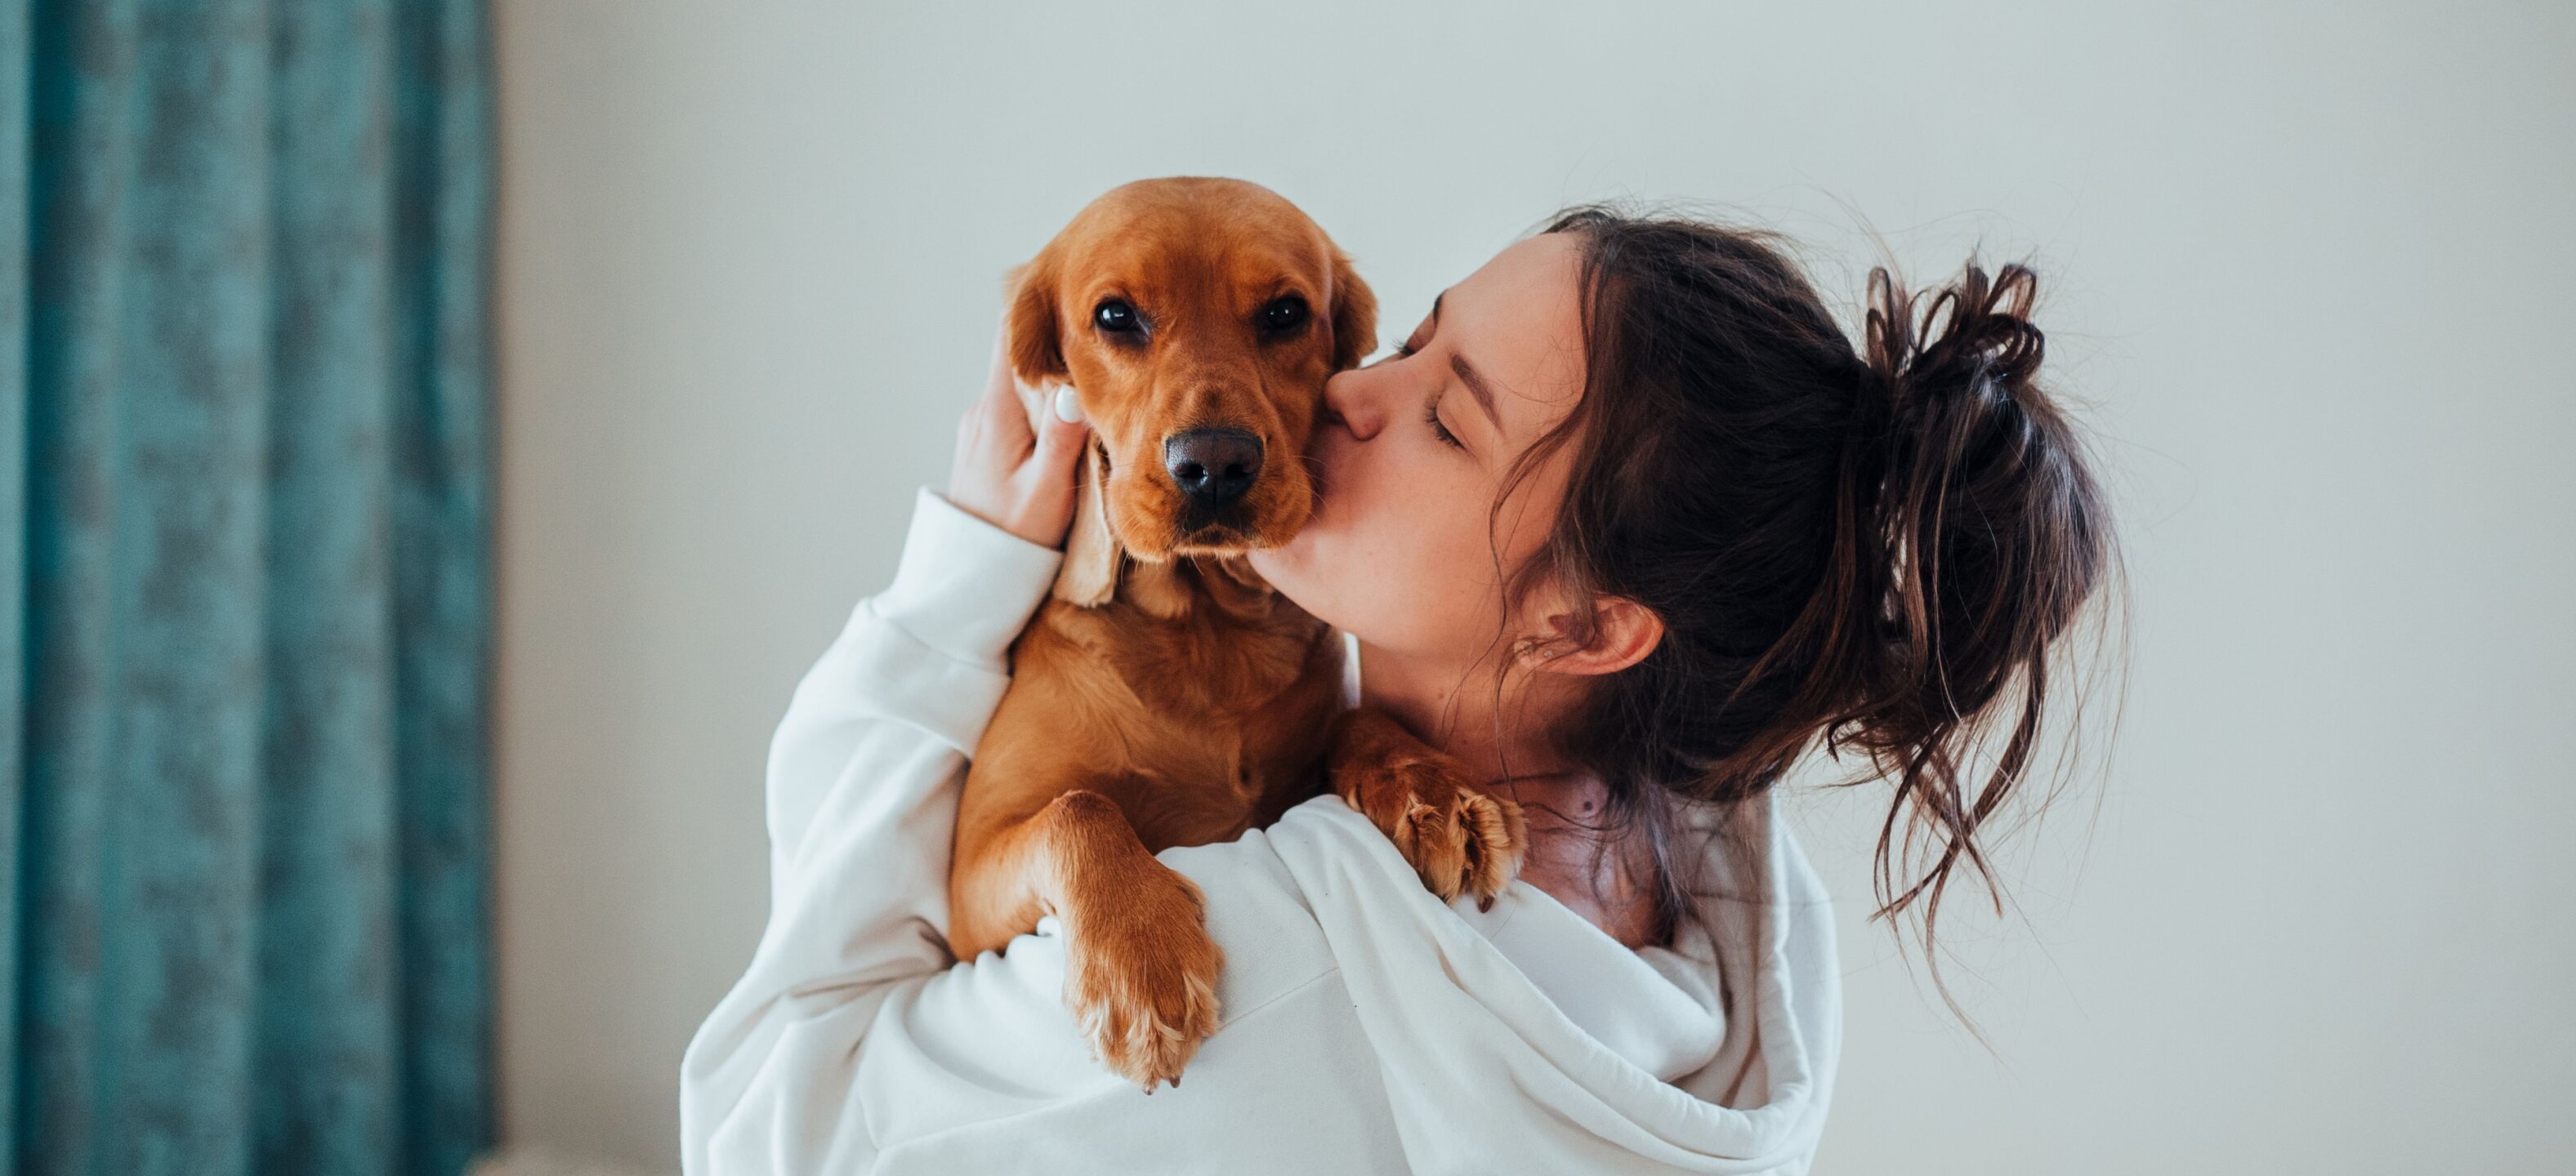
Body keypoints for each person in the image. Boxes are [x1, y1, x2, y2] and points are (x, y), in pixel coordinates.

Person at [679, 208, 2115, 1174]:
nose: (1348, 395)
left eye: (1446, 415)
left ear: (1590, 622)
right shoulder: (1747, 919)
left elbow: (756, 1121)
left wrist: (950, 593)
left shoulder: (1268, 955)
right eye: (1409, 339)